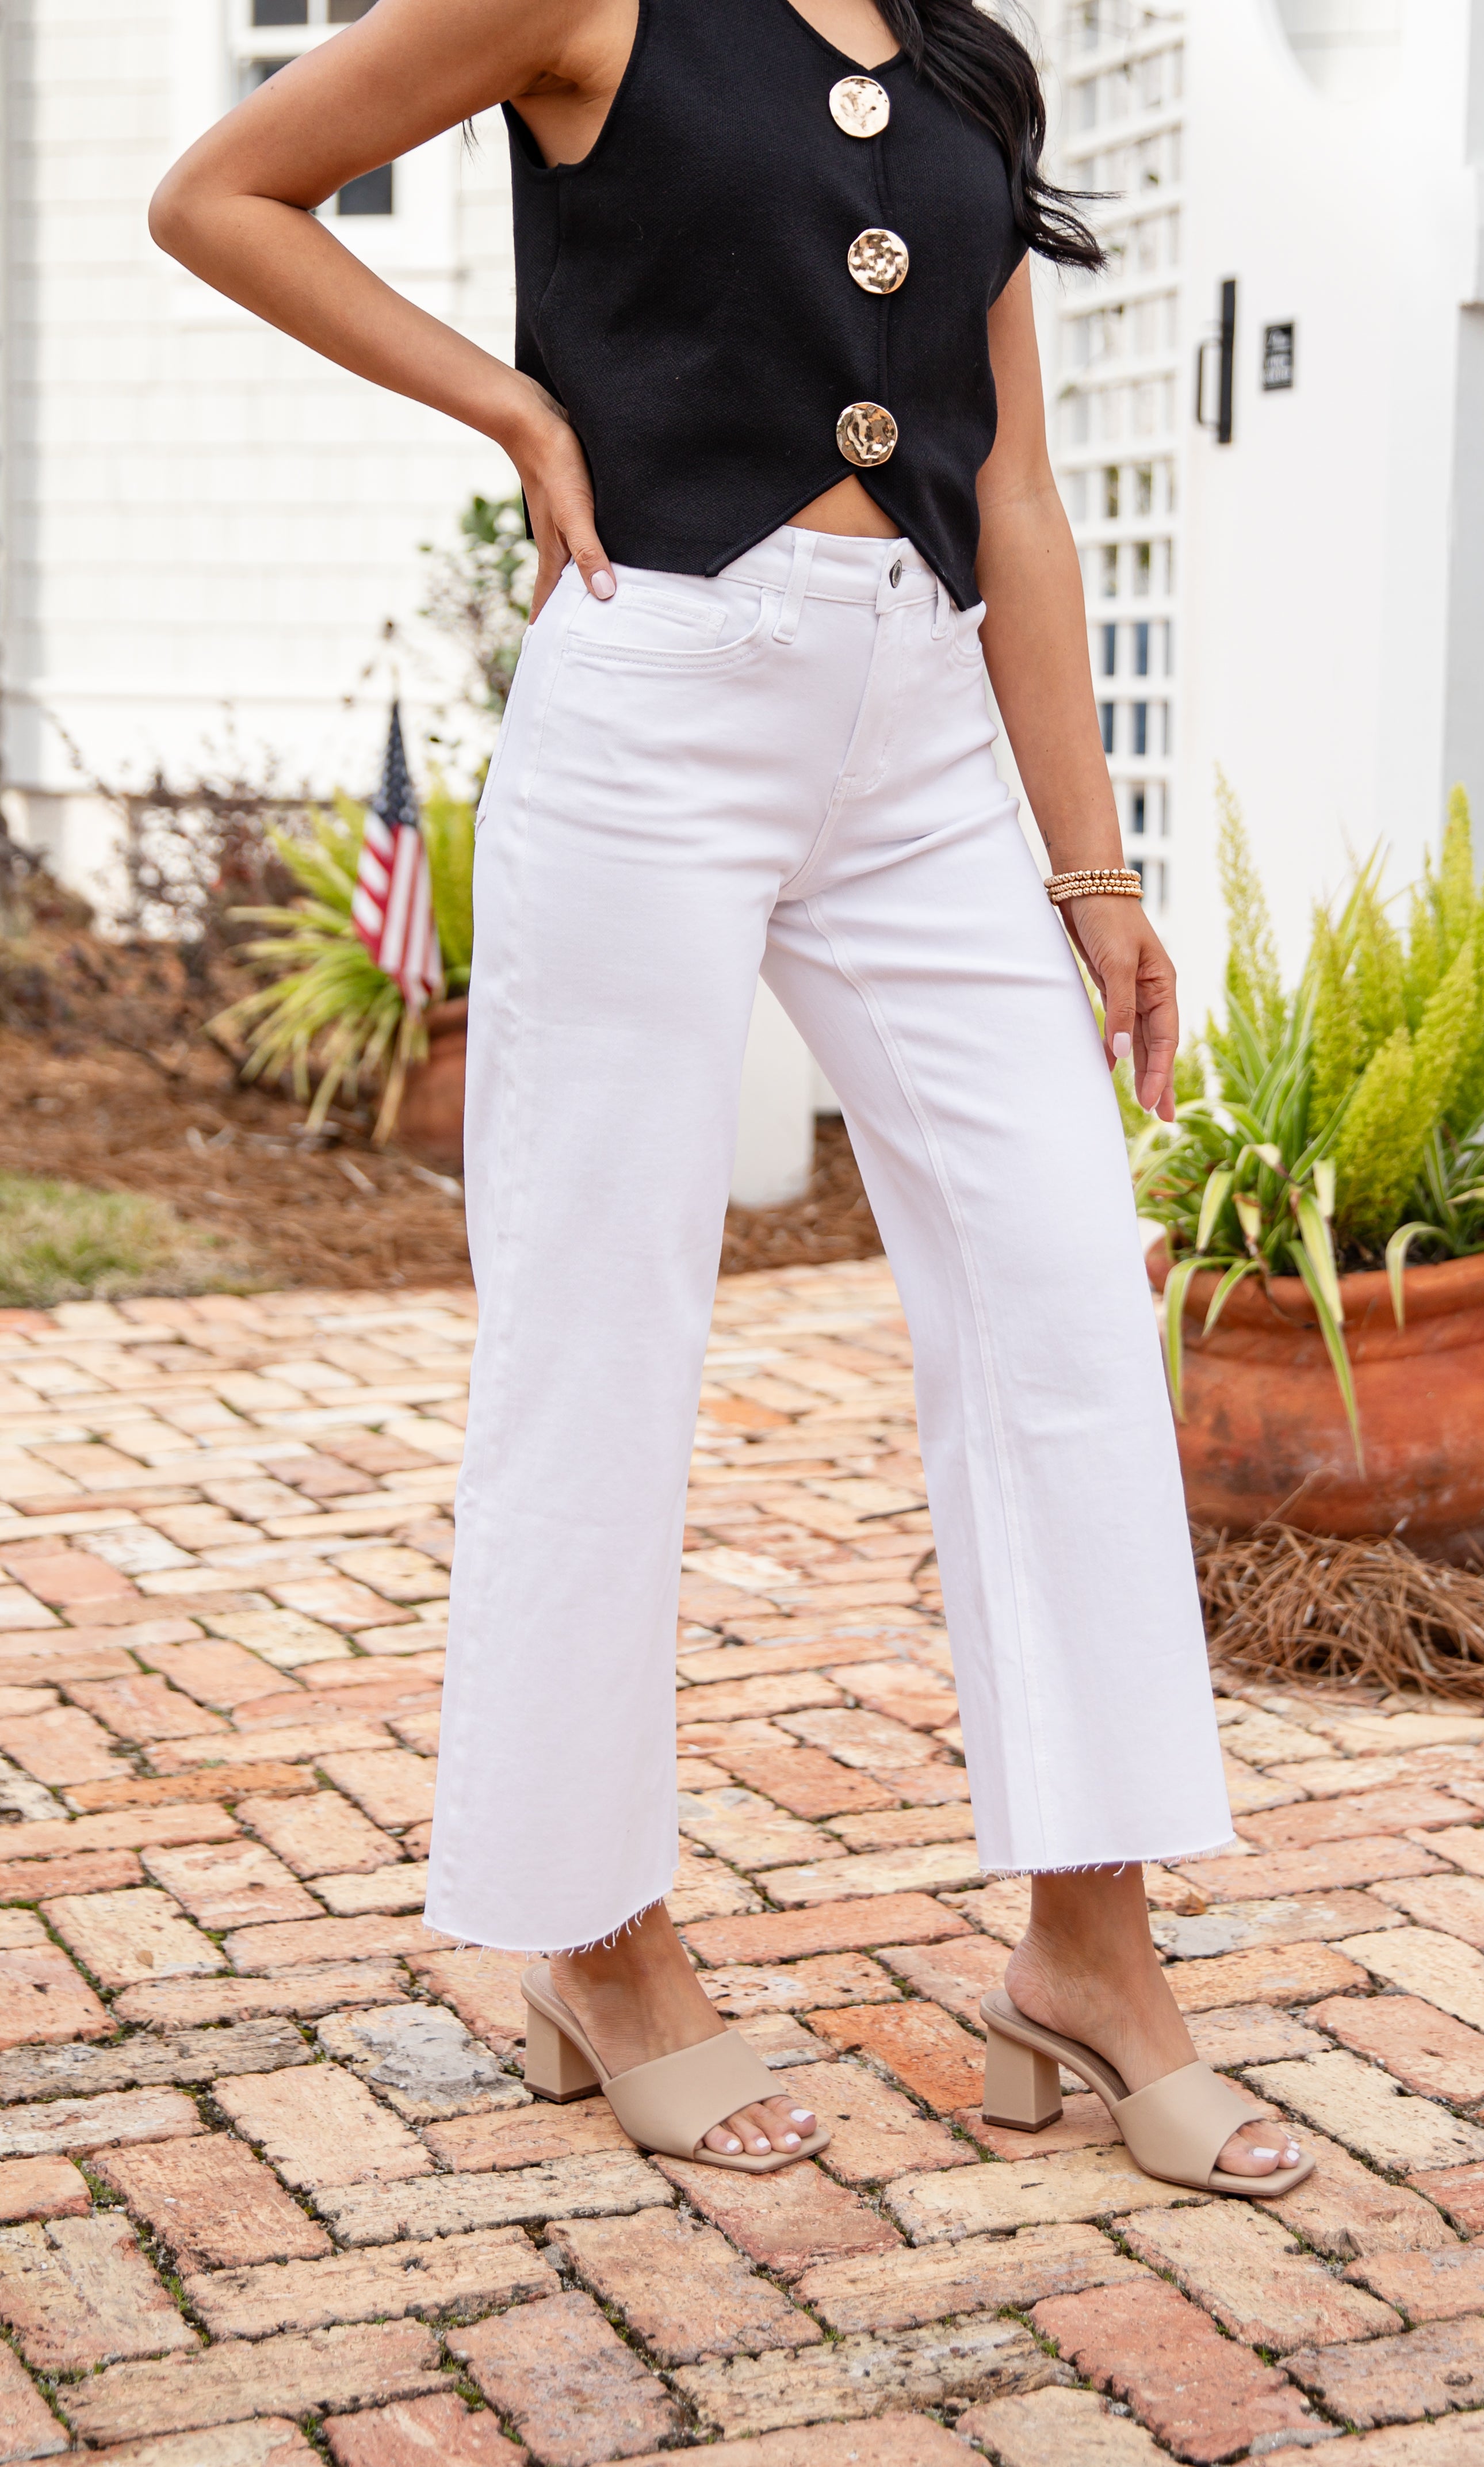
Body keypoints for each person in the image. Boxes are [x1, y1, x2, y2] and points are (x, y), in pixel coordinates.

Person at [151, 0, 1307, 2193]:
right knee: (601, 1327)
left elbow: (1023, 499)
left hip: (922, 735)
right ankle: (594, 1939)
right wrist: (508, 405)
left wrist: (1096, 872)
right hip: (658, 689)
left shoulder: (969, 60)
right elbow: (222, 194)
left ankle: (1091, 1943)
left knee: (1065, 1292)